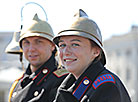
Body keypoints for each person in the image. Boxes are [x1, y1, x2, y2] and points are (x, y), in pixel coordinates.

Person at [53, 9, 131, 102]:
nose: (66, 51)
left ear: (96, 51)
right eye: (62, 45)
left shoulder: (106, 87)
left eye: (75, 44)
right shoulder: (68, 85)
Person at [9, 14, 69, 102]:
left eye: (38, 42)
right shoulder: (19, 83)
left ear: (52, 46)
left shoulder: (63, 80)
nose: (31, 49)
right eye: (26, 43)